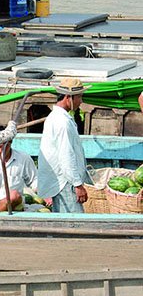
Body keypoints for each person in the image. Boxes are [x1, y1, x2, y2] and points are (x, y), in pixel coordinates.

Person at [38, 78, 90, 213]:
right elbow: (66, 155)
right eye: (79, 97)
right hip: (66, 182)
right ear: (69, 98)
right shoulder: (62, 122)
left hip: (62, 180)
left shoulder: (57, 117)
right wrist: (77, 185)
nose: (81, 101)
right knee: (75, 224)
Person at [0, 125, 38, 211]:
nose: (1, 151)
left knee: (14, 195)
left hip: (14, 203)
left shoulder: (23, 158)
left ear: (10, 143)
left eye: (5, 147)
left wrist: (45, 195)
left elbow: (34, 180)